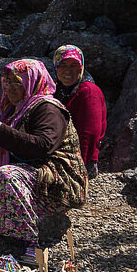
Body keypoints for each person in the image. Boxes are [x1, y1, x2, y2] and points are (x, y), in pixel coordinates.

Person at [0, 58, 87, 247]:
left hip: (55, 182)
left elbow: (43, 146)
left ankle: (20, 241)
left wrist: (0, 130)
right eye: (7, 82)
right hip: (26, 173)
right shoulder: (10, 110)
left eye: (17, 82)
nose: (10, 88)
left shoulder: (47, 109)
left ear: (33, 81)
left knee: (8, 174)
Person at [51, 44, 107, 178]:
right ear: (56, 67)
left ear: (81, 67)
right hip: (61, 154)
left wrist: (77, 168)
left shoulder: (88, 92)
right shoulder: (58, 89)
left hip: (78, 160)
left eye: (73, 65)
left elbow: (89, 133)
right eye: (63, 65)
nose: (68, 71)